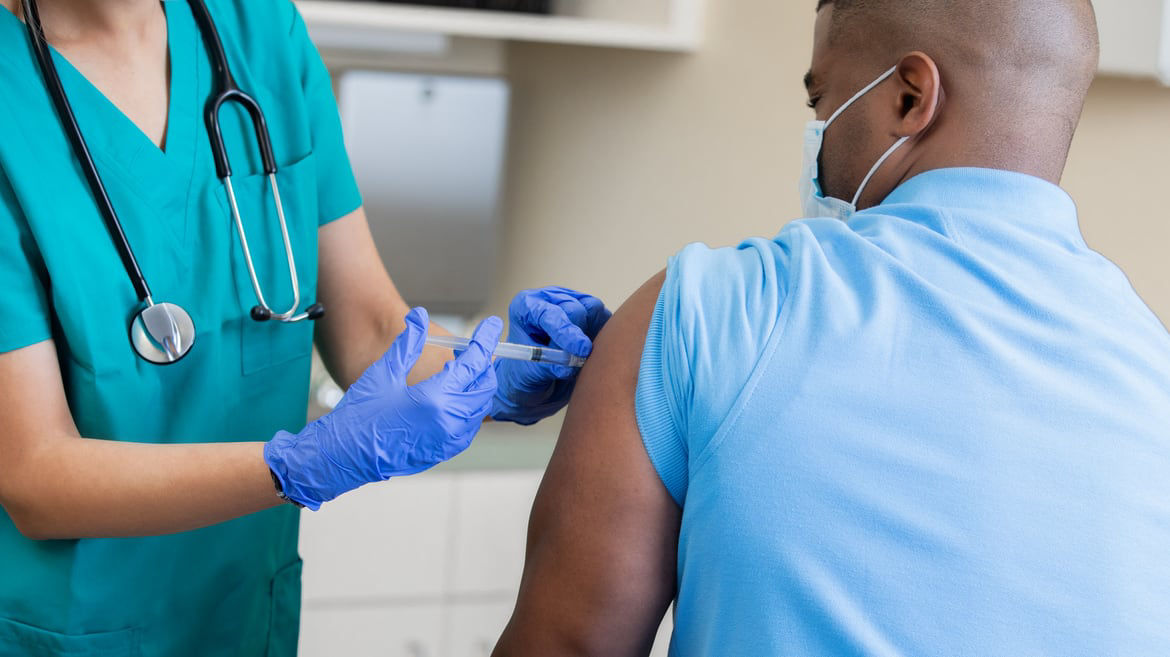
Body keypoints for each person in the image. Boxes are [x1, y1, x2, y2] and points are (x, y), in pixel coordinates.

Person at [493, 0, 1170, 655]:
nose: (817, 127)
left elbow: (565, 644)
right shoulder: (1153, 364)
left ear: (910, 97)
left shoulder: (708, 309)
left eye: (820, 100)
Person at [0, 0, 609, 655]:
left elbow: (373, 333)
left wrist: (494, 373)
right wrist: (296, 464)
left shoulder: (260, 30)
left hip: (244, 618)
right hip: (76, 629)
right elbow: (35, 472)